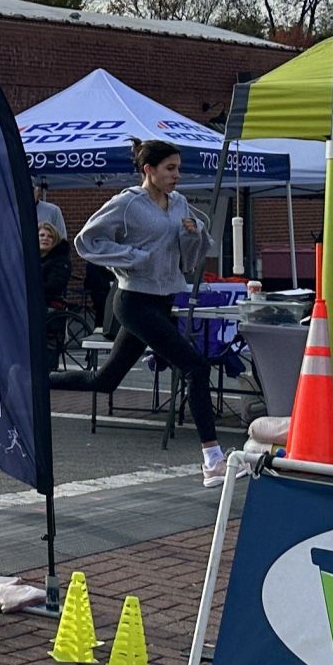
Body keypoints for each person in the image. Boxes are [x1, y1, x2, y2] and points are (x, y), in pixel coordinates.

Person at [49, 139, 226, 485]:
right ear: (149, 170)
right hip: (132, 302)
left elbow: (190, 253)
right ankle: (212, 459)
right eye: (170, 168)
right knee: (195, 366)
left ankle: (31, 382)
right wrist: (132, 259)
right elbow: (87, 241)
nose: (177, 175)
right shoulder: (128, 204)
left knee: (104, 380)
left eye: (178, 168)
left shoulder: (180, 203)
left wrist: (194, 234)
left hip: (163, 299)